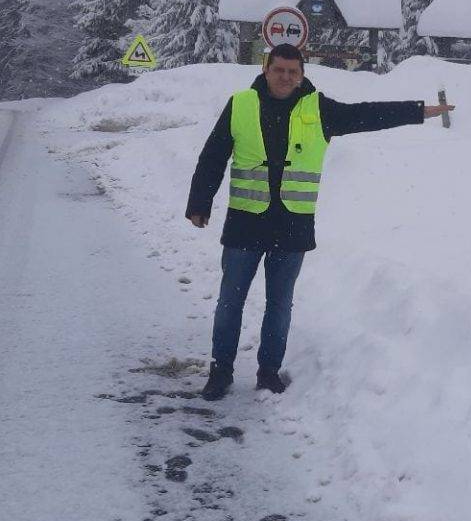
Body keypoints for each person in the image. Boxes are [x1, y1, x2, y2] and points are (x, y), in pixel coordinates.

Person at [186, 43, 454, 400]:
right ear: (266, 69)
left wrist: (418, 111)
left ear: (302, 75)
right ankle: (220, 372)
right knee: (230, 302)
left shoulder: (319, 109)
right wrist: (199, 203)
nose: (285, 77)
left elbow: (367, 115)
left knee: (279, 304)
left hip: (292, 227)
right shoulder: (241, 105)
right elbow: (213, 155)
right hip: (244, 224)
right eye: (279, 70)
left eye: (292, 72)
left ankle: (268, 372)